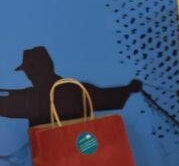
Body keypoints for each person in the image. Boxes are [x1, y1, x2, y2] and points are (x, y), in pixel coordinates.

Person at [0, 46, 142, 127]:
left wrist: (127, 89)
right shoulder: (77, 89)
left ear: (37, 69)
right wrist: (128, 89)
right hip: (88, 152)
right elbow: (110, 99)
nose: (28, 75)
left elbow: (6, 105)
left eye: (29, 70)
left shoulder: (31, 98)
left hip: (56, 160)